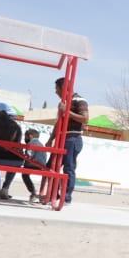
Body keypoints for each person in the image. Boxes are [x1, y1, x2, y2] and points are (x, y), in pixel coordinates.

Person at [46, 77, 88, 205]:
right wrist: (51, 139)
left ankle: (66, 198)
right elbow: (59, 122)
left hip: (72, 138)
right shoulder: (64, 103)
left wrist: (67, 111)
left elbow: (85, 118)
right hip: (62, 138)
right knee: (51, 166)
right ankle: (55, 195)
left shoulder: (79, 100)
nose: (55, 92)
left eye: (57, 89)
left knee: (68, 168)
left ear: (63, 88)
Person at [21, 128, 48, 203]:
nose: (24, 138)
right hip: (42, 166)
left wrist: (22, 154)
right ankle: (37, 193)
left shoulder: (31, 143)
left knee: (24, 174)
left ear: (30, 136)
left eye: (25, 136)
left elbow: (29, 155)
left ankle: (33, 191)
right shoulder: (41, 144)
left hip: (32, 165)